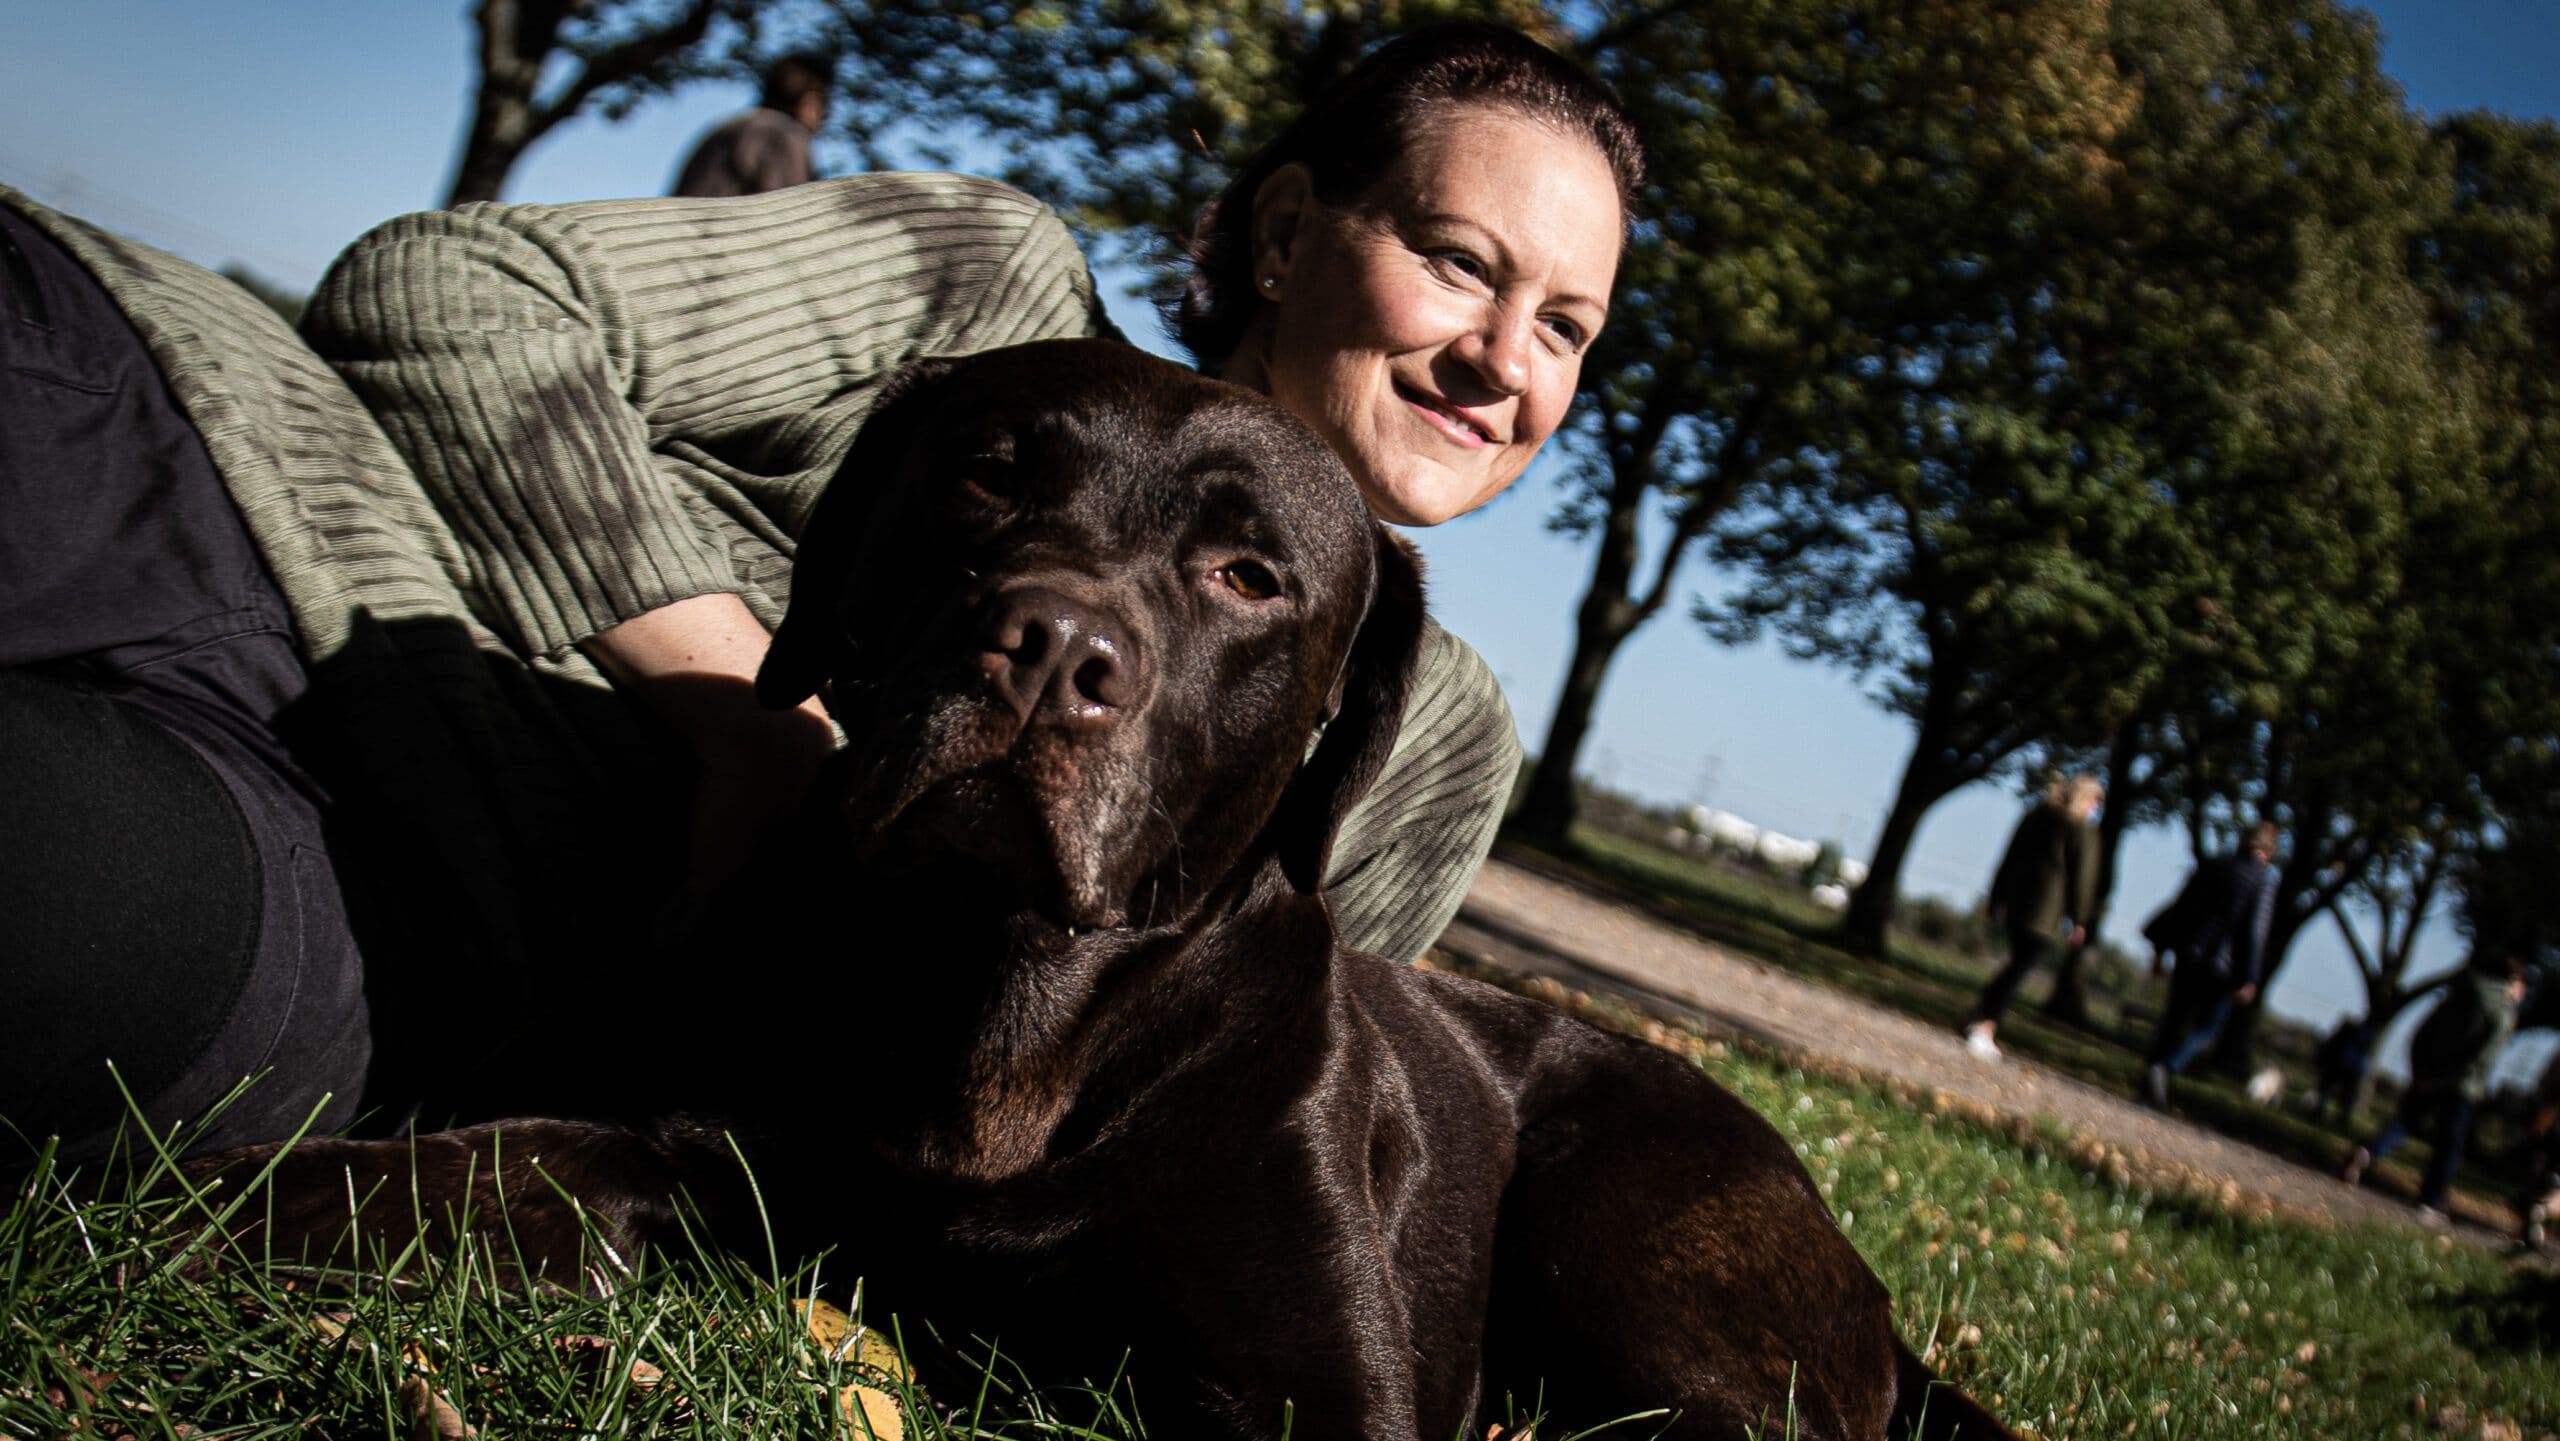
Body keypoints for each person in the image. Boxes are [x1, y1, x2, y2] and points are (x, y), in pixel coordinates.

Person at [0, 23, 1642, 1168]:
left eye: (1566, 325)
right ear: (1289, 229)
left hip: (391, 919)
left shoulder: (1422, 729)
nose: (1504, 356)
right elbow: (451, 292)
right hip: (210, 475)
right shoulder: (992, 284)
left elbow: (1222, 1090)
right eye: (1457, 260)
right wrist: (754, 721)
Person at [2337, 952, 2530, 1223]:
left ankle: (2367, 1152)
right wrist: (2461, 1083)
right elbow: (2482, 1058)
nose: (2523, 993)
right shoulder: (2503, 1010)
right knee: (2449, 1145)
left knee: (2405, 1122)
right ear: (2513, 981)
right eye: (2523, 985)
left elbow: (2423, 1031)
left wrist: (2422, 1071)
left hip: (2427, 1073)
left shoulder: (2460, 992)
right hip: (2461, 1086)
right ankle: (2431, 1200)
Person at [2138, 820, 2280, 1109]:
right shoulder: (2263, 882)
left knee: (2174, 1017)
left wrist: (2160, 948)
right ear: (2269, 851)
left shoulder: (2216, 865)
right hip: (2224, 968)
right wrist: (2250, 977)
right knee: (2209, 1026)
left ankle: (2149, 1081)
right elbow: (2255, 932)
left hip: (2189, 952)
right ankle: (2167, 1066)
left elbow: (2181, 906)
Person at [1960, 774, 2103, 1060]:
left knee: (2015, 961)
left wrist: (1997, 896)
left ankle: (1979, 1014)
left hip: (2017, 899)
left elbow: (2009, 855)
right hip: (2046, 911)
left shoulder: (2036, 815)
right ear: (2086, 799)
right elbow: (2082, 879)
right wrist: (2079, 919)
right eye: (2095, 801)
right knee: (2020, 968)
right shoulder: (2082, 831)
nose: (2096, 808)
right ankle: (1985, 1024)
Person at [671, 52, 833, 198]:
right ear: (808, 100)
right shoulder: (780, 133)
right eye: (823, 100)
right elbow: (786, 212)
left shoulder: (741, 124)